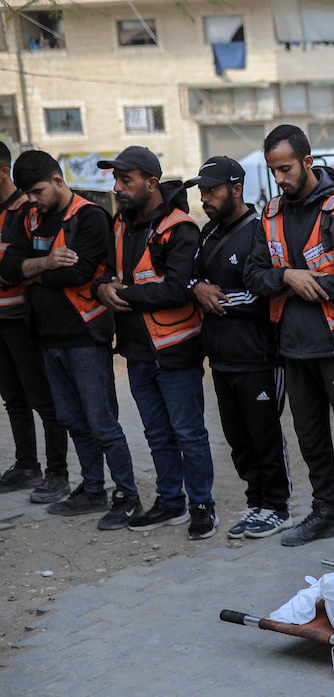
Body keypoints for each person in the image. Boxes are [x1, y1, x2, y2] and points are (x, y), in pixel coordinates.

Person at [244, 125, 334, 555]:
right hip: (292, 347)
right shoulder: (269, 215)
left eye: (285, 168)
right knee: (310, 439)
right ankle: (325, 513)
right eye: (273, 171)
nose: (280, 178)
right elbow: (251, 275)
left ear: (307, 162)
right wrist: (287, 276)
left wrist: (312, 282)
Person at [0, 151, 139, 529]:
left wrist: (30, 272)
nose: (32, 199)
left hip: (84, 336)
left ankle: (126, 495)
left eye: (38, 191)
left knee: (101, 422)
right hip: (45, 336)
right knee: (72, 419)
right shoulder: (30, 216)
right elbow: (8, 267)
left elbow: (77, 274)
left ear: (58, 181)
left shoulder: (90, 217)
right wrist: (44, 264)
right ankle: (93, 489)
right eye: (27, 193)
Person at [90, 147, 216, 538]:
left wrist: (122, 294)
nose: (118, 188)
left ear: (151, 182)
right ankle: (169, 502)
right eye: (115, 180)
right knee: (157, 433)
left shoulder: (180, 227)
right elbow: (106, 275)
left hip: (176, 350)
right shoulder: (119, 224)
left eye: (125, 180)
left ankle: (201, 505)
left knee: (188, 432)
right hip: (137, 351)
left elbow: (177, 290)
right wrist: (99, 289)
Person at [186, 156, 291, 539]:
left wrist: (221, 300)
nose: (205, 198)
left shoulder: (260, 230)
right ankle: (255, 502)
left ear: (236, 189)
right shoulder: (208, 233)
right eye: (202, 191)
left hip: (259, 355)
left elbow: (269, 290)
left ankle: (277, 506)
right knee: (238, 438)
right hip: (222, 357)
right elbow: (192, 277)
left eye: (212, 190)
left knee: (265, 434)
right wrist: (197, 288)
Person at [0, 142, 70, 503]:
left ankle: (57, 471)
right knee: (12, 396)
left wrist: (17, 271)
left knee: (42, 397)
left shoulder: (25, 209)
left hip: (22, 317)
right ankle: (26, 464)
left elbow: (18, 266)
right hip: (0, 318)